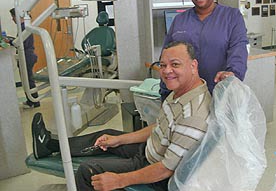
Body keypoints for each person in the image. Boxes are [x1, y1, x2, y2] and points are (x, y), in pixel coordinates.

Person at [32, 41, 211, 191]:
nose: (166, 71)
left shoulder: (193, 115)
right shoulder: (180, 91)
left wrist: (119, 180)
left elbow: (165, 169)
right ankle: (49, 145)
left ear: (193, 66)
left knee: (88, 172)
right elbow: (160, 127)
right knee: (107, 136)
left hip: (156, 171)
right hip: (150, 149)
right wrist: (121, 140)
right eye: (163, 65)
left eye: (175, 64)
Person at [161, 0, 248, 100]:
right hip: (185, 94)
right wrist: (164, 93)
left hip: (219, 91)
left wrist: (233, 73)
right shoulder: (180, 20)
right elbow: (166, 57)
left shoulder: (231, 17)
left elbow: (239, 48)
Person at [6, 8, 40, 108]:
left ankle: (33, 101)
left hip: (27, 56)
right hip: (27, 55)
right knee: (27, 80)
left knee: (28, 80)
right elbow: (20, 41)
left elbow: (21, 43)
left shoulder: (24, 27)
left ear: (18, 16)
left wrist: (10, 42)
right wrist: (11, 40)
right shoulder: (24, 27)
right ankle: (32, 100)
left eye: (13, 17)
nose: (12, 19)